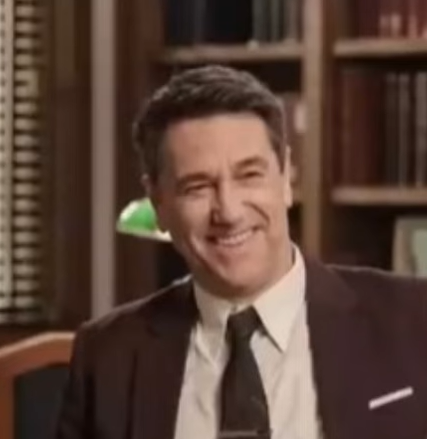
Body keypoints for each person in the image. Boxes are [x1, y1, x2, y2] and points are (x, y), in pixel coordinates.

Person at [55, 65, 427, 439]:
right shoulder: (107, 357)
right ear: (159, 203)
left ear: (285, 177)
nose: (229, 212)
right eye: (197, 187)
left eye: (249, 175)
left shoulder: (413, 320)